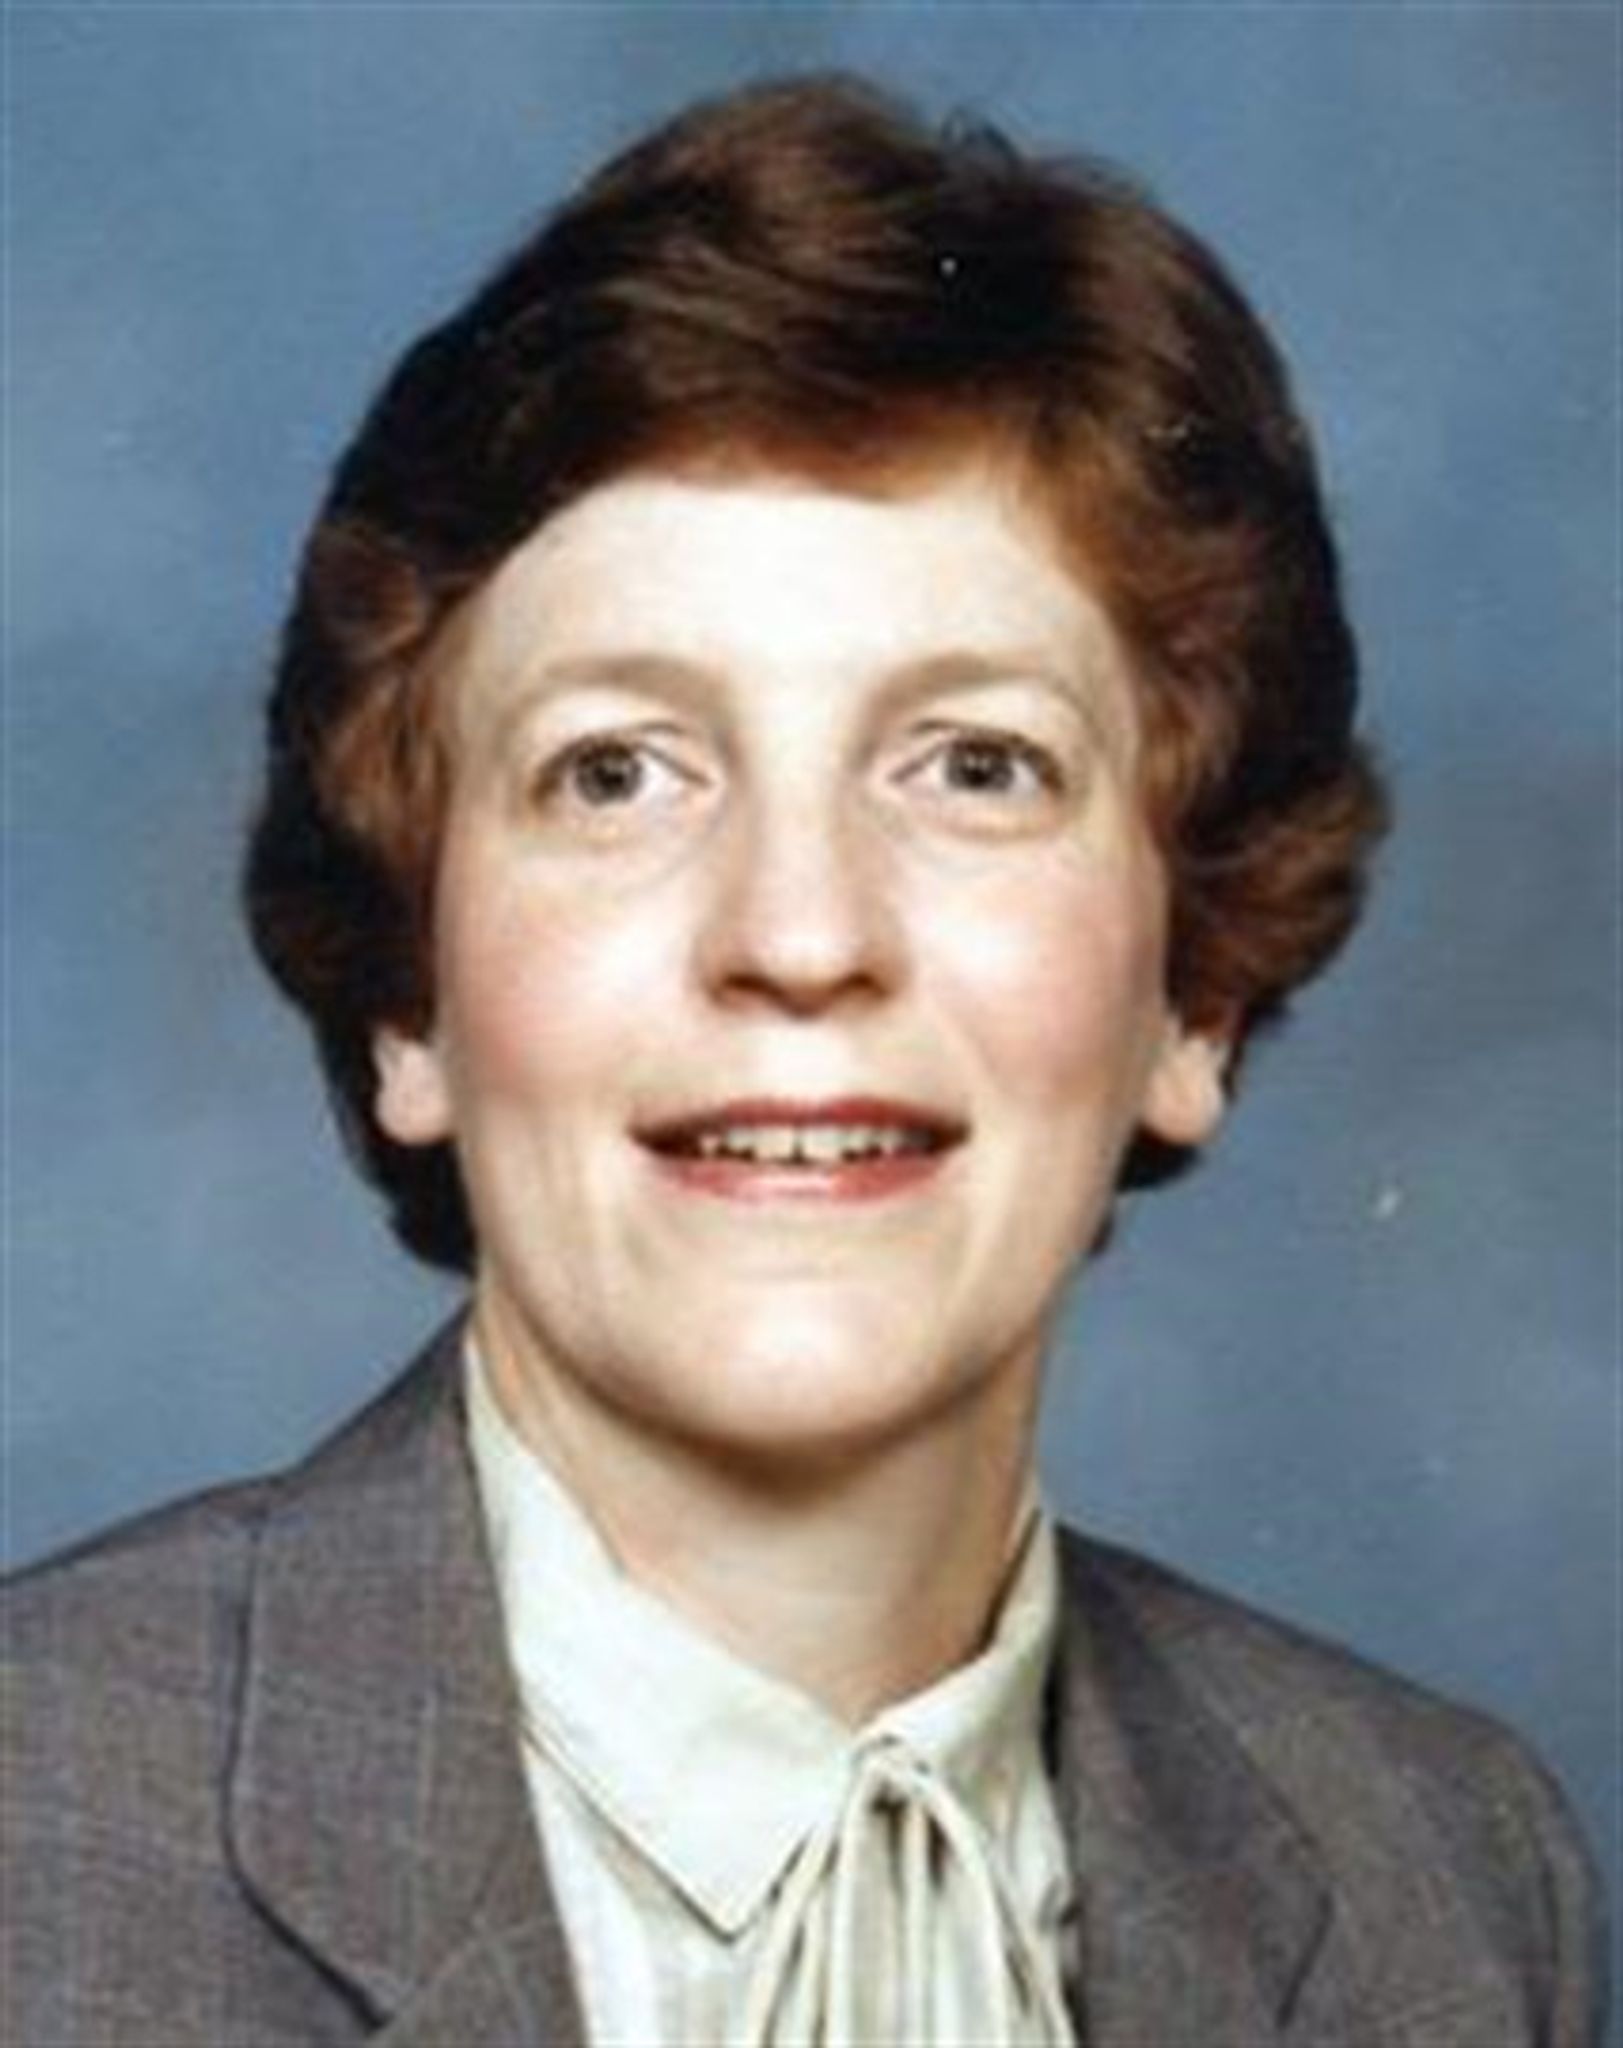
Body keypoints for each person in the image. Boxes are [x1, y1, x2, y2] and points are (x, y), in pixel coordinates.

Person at [2, 73, 1603, 2048]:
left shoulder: (1446, 1878)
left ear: (1190, 993)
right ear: (411, 1001)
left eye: (975, 766)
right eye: (616, 771)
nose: (798, 931)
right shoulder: (33, 1824)